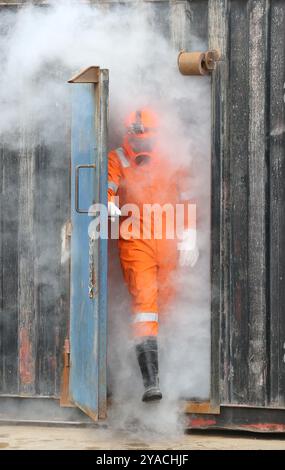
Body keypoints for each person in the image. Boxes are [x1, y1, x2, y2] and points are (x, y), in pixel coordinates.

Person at [108, 108, 199, 402]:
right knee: (146, 305)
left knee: (170, 307)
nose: (140, 147)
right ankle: (151, 383)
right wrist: (108, 202)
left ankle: (175, 376)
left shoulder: (171, 157)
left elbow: (187, 197)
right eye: (137, 141)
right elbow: (107, 185)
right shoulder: (118, 158)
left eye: (146, 140)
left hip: (169, 242)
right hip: (135, 243)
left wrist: (190, 235)